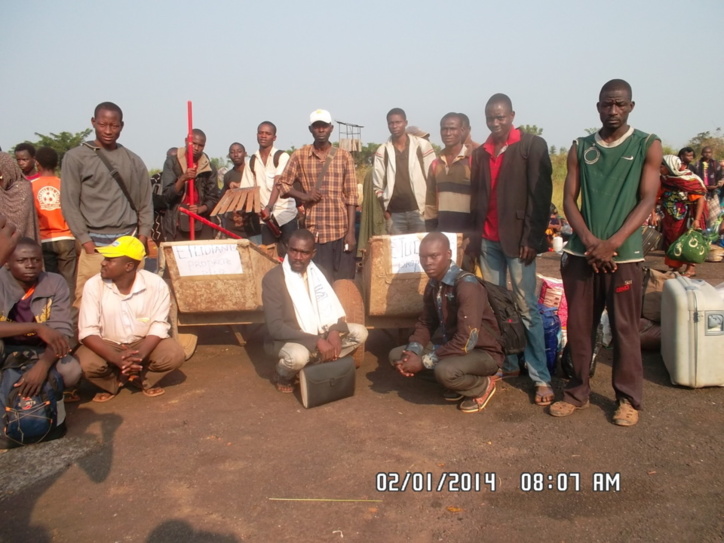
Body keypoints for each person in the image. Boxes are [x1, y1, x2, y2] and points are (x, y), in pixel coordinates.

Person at [552, 79, 662, 427]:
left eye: (619, 104)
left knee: (625, 328)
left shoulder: (647, 144)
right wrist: (588, 241)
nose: (612, 111)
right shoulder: (580, 147)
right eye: (605, 104)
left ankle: (628, 399)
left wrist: (612, 243)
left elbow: (647, 199)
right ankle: (576, 392)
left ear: (630, 106)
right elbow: (569, 200)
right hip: (583, 254)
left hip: (624, 255)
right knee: (580, 326)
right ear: (597, 106)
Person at [469, 93, 554, 406]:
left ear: (512, 115)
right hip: (488, 241)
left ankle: (540, 376)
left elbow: (540, 196)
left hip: (519, 242)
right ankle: (507, 363)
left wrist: (532, 239)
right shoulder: (481, 153)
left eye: (501, 117)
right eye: (491, 117)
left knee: (525, 306)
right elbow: (476, 201)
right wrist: (473, 239)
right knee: (495, 308)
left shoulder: (531, 146)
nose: (495, 122)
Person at [389, 233, 502, 413]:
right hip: (452, 347)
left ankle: (481, 385)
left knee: (444, 371)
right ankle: (457, 384)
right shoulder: (434, 284)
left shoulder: (467, 286)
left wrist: (423, 362)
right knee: (398, 357)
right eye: (423, 257)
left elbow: (466, 342)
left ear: (449, 254)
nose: (428, 262)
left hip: (482, 352)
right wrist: (413, 351)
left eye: (434, 256)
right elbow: (426, 322)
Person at [60, 101, 153, 312]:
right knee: (86, 302)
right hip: (94, 244)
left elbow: (145, 204)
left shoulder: (133, 160)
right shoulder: (76, 158)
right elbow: (69, 203)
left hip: (128, 242)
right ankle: (84, 344)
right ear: (93, 122)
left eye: (114, 125)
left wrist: (142, 238)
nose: (108, 131)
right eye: (103, 125)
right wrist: (86, 242)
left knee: (131, 302)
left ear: (122, 126)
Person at [76, 236, 184, 402]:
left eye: (110, 260)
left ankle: (143, 378)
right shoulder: (93, 284)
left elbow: (159, 326)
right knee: (84, 364)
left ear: (128, 266)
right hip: (107, 342)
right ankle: (113, 381)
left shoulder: (155, 284)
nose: (103, 263)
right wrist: (115, 358)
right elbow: (88, 331)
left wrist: (140, 354)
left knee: (173, 354)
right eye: (105, 258)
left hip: (142, 341)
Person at [261, 229, 368, 393]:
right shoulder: (273, 279)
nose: (297, 257)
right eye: (294, 250)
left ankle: (317, 362)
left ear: (313, 253)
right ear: (287, 249)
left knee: (360, 332)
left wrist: (333, 332)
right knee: (297, 357)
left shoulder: (320, 273)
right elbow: (276, 328)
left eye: (304, 253)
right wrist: (317, 341)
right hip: (288, 338)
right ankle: (282, 374)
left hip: (320, 332)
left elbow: (332, 307)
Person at [276, 109, 358, 282]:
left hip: (341, 230)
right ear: (310, 129)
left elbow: (352, 196)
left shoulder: (344, 156)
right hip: (316, 233)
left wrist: (351, 233)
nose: (321, 130)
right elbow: (282, 184)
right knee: (321, 282)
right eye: (317, 126)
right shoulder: (300, 155)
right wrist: (304, 196)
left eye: (324, 126)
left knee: (345, 282)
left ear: (331, 128)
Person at [0, 239, 81, 399]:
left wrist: (42, 367)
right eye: (22, 260)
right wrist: (37, 327)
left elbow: (61, 333)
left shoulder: (54, 282)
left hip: (42, 350)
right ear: (8, 263)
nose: (30, 265)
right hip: (5, 349)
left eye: (36, 260)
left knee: (71, 371)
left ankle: (51, 399)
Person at [373, 108, 436, 234]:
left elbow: (433, 178)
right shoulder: (383, 151)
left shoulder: (422, 146)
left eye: (398, 122)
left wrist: (430, 209)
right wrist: (386, 213)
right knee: (398, 253)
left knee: (423, 250)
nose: (394, 126)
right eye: (391, 123)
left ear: (405, 123)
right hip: (395, 215)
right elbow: (377, 186)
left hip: (419, 212)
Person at [30, 147, 77, 298]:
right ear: (57, 164)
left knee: (49, 280)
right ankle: (71, 318)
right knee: (69, 280)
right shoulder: (65, 184)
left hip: (44, 239)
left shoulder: (31, 186)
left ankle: (51, 316)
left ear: (37, 163)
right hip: (67, 238)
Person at [243, 122, 298, 249]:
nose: (263, 136)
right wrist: (256, 208)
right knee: (269, 256)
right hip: (265, 219)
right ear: (256, 135)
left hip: (285, 214)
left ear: (274, 137)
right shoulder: (251, 161)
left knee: (289, 255)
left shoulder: (282, 156)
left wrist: (269, 206)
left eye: (267, 133)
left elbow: (278, 183)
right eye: (261, 133)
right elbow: (247, 190)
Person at [161, 128, 220, 241]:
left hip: (201, 222)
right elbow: (167, 196)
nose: (196, 148)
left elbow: (213, 198)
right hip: (177, 223)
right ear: (186, 141)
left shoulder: (209, 167)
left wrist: (201, 209)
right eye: (193, 143)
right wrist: (183, 178)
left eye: (200, 145)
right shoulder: (172, 163)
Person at [657, 155, 706, 276]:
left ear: (670, 166)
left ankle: (691, 268)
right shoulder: (664, 180)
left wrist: (697, 219)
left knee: (689, 240)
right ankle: (675, 267)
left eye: (662, 166)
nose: (659, 168)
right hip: (670, 217)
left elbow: (700, 200)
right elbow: (656, 197)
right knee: (673, 240)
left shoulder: (689, 180)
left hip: (687, 216)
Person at [425, 112, 473, 234]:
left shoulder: (473, 160)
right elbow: (430, 202)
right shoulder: (436, 164)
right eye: (444, 129)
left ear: (462, 130)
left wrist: (474, 235)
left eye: (452, 129)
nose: (448, 133)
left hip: (467, 234)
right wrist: (431, 231)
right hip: (442, 233)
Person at [220, 142, 259, 242]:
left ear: (245, 154)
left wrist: (240, 186)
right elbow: (223, 200)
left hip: (252, 224)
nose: (236, 155)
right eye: (232, 152)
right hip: (233, 225)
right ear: (229, 155)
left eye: (239, 152)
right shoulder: (228, 176)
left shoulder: (252, 172)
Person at [0, 152, 40, 242]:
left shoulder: (23, 189)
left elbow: (21, 225)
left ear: (8, 171)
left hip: (23, 246)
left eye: (0, 176)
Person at [690, 146, 723, 231]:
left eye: (709, 152)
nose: (707, 154)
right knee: (701, 213)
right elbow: (693, 178)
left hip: (713, 192)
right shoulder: (697, 165)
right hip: (700, 192)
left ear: (712, 153)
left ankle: (711, 234)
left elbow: (721, 177)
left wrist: (718, 184)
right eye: (705, 152)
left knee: (714, 215)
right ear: (701, 154)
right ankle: (700, 232)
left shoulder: (716, 164)